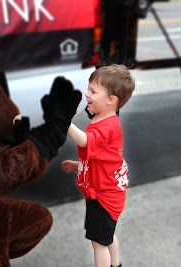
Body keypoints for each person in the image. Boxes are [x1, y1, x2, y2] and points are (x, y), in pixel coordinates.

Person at [61, 64, 135, 267]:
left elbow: (85, 140)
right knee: (107, 235)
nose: (87, 94)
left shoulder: (108, 125)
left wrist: (63, 121)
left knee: (98, 243)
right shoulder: (103, 118)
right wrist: (80, 165)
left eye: (93, 91)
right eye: (88, 88)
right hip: (107, 192)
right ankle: (117, 264)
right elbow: (102, 156)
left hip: (104, 197)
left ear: (111, 100)